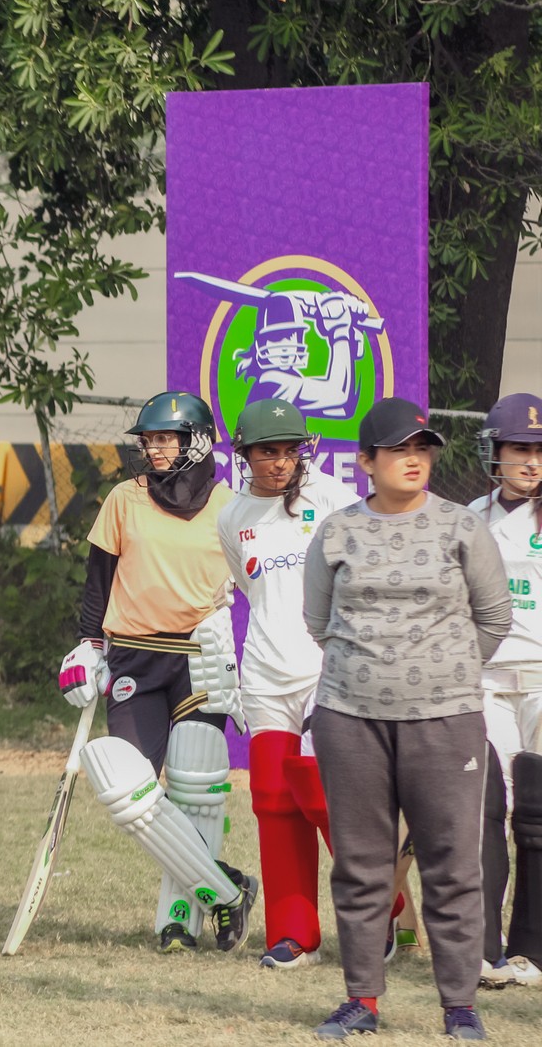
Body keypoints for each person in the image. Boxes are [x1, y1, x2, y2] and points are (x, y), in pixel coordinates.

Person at [303, 398, 511, 1041]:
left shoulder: (462, 527)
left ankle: (460, 1005)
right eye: (398, 449)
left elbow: (494, 618)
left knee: (453, 865)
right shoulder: (336, 531)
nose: (414, 459)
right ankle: (361, 1000)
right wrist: (373, 669)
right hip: (351, 720)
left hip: (447, 723)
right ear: (366, 461)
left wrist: (441, 672)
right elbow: (318, 621)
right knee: (361, 865)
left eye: (423, 448)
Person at [66, 392, 258, 954]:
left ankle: (179, 920)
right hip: (133, 655)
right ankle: (226, 888)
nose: (152, 449)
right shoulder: (124, 499)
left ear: (195, 441)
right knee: (130, 790)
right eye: (148, 440)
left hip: (201, 657)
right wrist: (88, 645)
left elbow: (258, 585)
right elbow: (98, 581)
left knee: (197, 788)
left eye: (164, 439)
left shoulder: (231, 506)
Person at [217, 398, 359, 969]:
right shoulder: (233, 516)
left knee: (326, 798)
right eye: (267, 451)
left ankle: (384, 908)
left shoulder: (330, 498)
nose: (280, 462)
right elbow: (251, 590)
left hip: (326, 672)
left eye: (289, 450)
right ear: (245, 455)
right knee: (273, 802)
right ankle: (294, 935)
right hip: (264, 676)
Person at [470, 392, 542, 989]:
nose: (532, 461)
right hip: (488, 682)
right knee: (485, 809)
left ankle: (532, 951)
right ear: (494, 450)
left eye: (540, 450)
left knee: (538, 819)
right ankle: (483, 948)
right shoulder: (471, 518)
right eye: (521, 448)